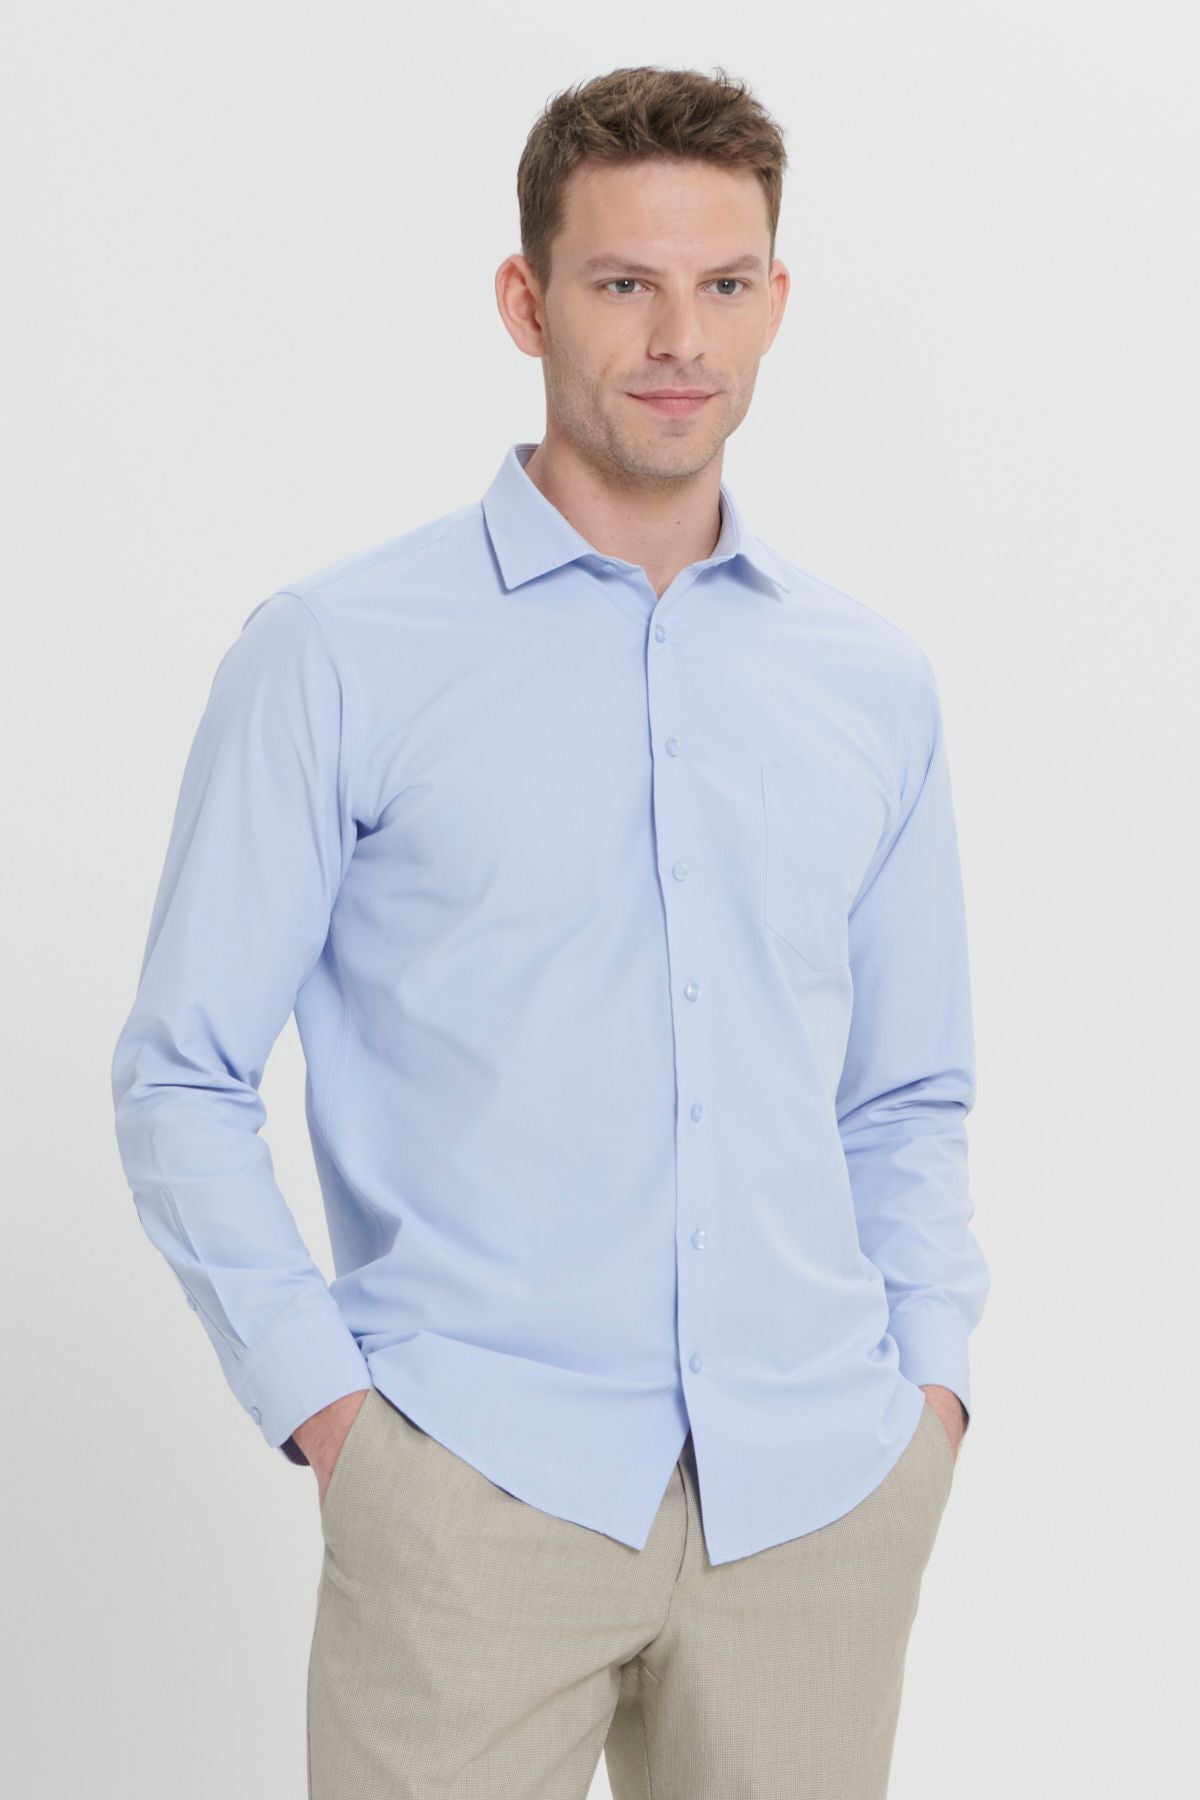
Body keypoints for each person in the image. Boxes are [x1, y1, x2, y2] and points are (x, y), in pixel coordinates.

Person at [110, 63, 990, 1800]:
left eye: (723, 283)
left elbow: (908, 1094)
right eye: (623, 282)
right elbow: (180, 1074)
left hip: (816, 1505)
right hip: (474, 1497)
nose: (679, 338)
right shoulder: (340, 653)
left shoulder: (871, 684)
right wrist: (340, 1425)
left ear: (778, 300)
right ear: (526, 302)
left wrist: (929, 1400)